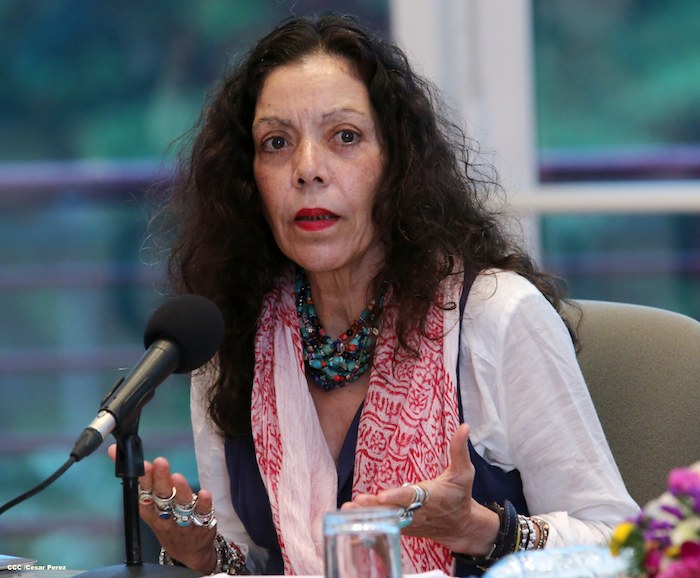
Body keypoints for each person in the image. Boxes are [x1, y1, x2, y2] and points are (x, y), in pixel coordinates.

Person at [113, 12, 640, 577]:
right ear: (249, 178)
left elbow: (620, 549)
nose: (307, 170)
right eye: (276, 143)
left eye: (345, 137)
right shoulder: (235, 335)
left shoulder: (497, 316)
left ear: (397, 163)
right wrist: (199, 554)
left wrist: (480, 530)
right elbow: (252, 561)